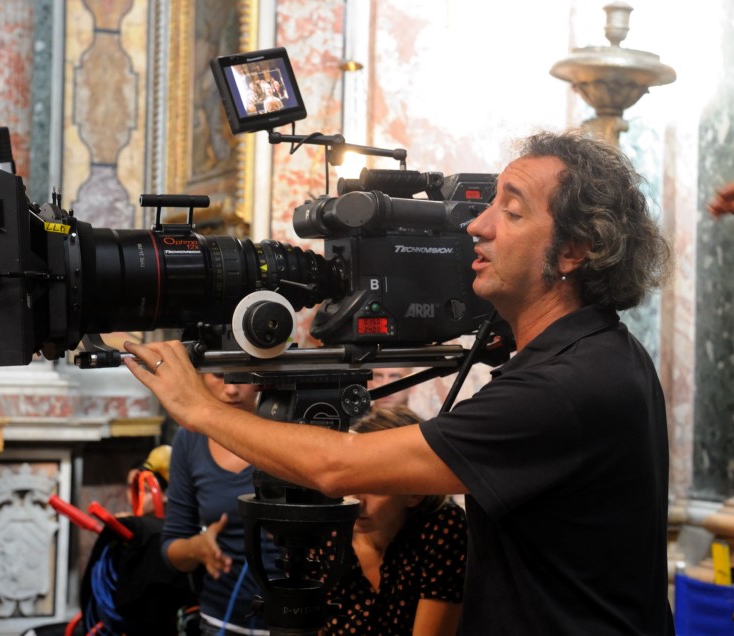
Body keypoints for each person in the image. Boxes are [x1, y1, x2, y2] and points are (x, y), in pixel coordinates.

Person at [123, 129, 675, 635]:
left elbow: (338, 467)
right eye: (487, 206)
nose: (476, 227)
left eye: (511, 212)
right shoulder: (603, 352)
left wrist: (200, 409)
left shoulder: (568, 385)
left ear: (574, 251)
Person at [313, 406, 466, 635]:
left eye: (376, 487)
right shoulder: (326, 530)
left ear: (415, 493)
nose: (356, 500)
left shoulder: (443, 527)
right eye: (350, 480)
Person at [161, 372, 281, 635]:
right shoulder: (190, 439)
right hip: (221, 617)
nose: (232, 389)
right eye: (219, 376)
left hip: (297, 619)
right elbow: (172, 547)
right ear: (201, 376)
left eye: (242, 376)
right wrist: (197, 549)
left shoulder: (290, 432)